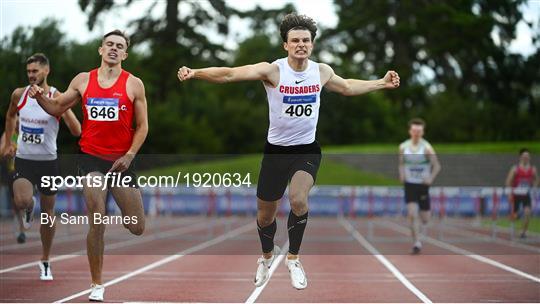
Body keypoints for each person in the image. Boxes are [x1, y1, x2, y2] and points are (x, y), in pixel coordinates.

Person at [178, 13, 400, 289]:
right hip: (275, 152)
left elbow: (346, 87)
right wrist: (196, 72)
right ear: (285, 45)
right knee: (265, 216)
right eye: (295, 40)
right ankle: (266, 257)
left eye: (306, 40)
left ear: (312, 44)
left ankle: (293, 258)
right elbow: (230, 74)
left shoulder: (321, 71)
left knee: (298, 200)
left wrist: (381, 82)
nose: (301, 45)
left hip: (306, 150)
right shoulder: (273, 71)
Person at [28, 30, 148, 302]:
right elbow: (57, 108)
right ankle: (97, 284)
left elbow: (143, 127)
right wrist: (39, 98)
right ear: (101, 49)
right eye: (110, 45)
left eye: (120, 46)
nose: (114, 49)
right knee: (97, 216)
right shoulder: (83, 80)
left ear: (125, 54)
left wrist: (129, 155)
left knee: (138, 226)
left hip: (121, 162)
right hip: (90, 157)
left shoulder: (134, 85)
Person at [1, 53, 81, 278]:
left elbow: (77, 131)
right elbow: (10, 117)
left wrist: (63, 108)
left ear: (46, 71)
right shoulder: (20, 94)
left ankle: (45, 260)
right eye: (28, 72)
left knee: (48, 213)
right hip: (25, 160)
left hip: (48, 163)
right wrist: (9, 143)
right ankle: (28, 206)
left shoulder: (57, 96)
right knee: (22, 200)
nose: (31, 75)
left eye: (35, 71)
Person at [398, 118, 441, 254]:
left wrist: (430, 178)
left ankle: (419, 232)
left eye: (419, 131)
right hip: (410, 184)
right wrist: (402, 174)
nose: (416, 133)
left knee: (425, 218)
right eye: (414, 130)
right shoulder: (403, 147)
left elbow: (437, 165)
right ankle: (416, 242)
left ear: (423, 132)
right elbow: (401, 163)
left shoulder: (427, 148)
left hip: (423, 185)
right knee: (412, 214)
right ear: (410, 131)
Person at [505, 148, 537, 239]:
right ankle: (512, 229)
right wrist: (509, 193)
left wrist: (534, 187)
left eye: (527, 156)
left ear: (529, 158)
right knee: (514, 216)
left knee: (527, 213)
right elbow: (508, 181)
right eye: (524, 156)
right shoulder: (515, 169)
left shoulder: (533, 169)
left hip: (526, 195)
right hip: (516, 195)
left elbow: (536, 180)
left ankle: (523, 232)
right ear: (520, 157)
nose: (526, 158)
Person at [0, 130, 26, 243]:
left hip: (27, 171)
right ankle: (22, 230)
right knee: (16, 204)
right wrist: (7, 152)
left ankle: (22, 229)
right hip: (12, 171)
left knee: (24, 201)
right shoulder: (7, 134)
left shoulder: (29, 130)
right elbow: (1, 152)